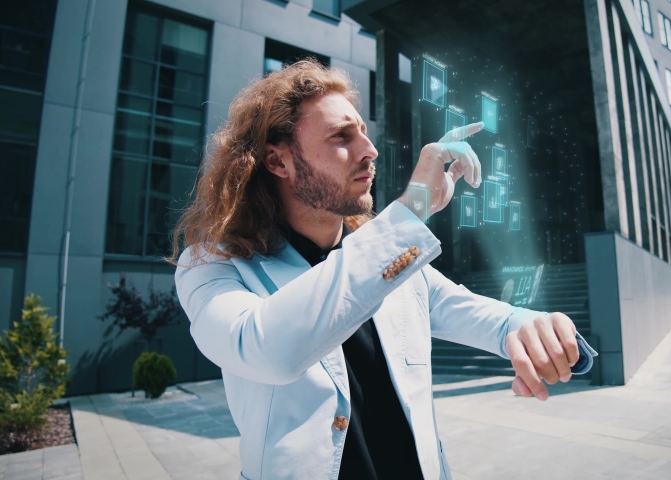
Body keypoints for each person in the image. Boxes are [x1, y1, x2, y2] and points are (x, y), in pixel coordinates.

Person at [171, 59, 596, 480]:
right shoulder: (211, 266)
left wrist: (536, 330)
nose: (368, 150)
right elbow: (268, 351)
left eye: (364, 133)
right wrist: (411, 212)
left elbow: (491, 318)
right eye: (342, 136)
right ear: (278, 162)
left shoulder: (392, 261)